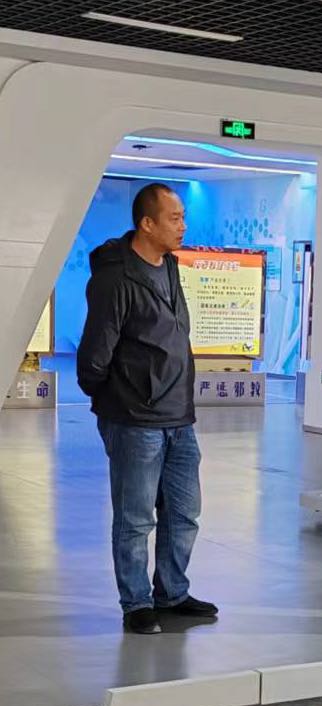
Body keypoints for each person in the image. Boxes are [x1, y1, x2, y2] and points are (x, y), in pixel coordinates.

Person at [77, 183, 216, 635]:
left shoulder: (169, 266)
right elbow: (94, 356)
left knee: (183, 513)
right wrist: (117, 400)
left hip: (180, 416)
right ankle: (136, 602)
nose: (183, 226)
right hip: (134, 419)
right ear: (147, 224)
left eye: (183, 217)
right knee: (136, 519)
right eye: (174, 218)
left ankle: (172, 592)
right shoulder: (115, 278)